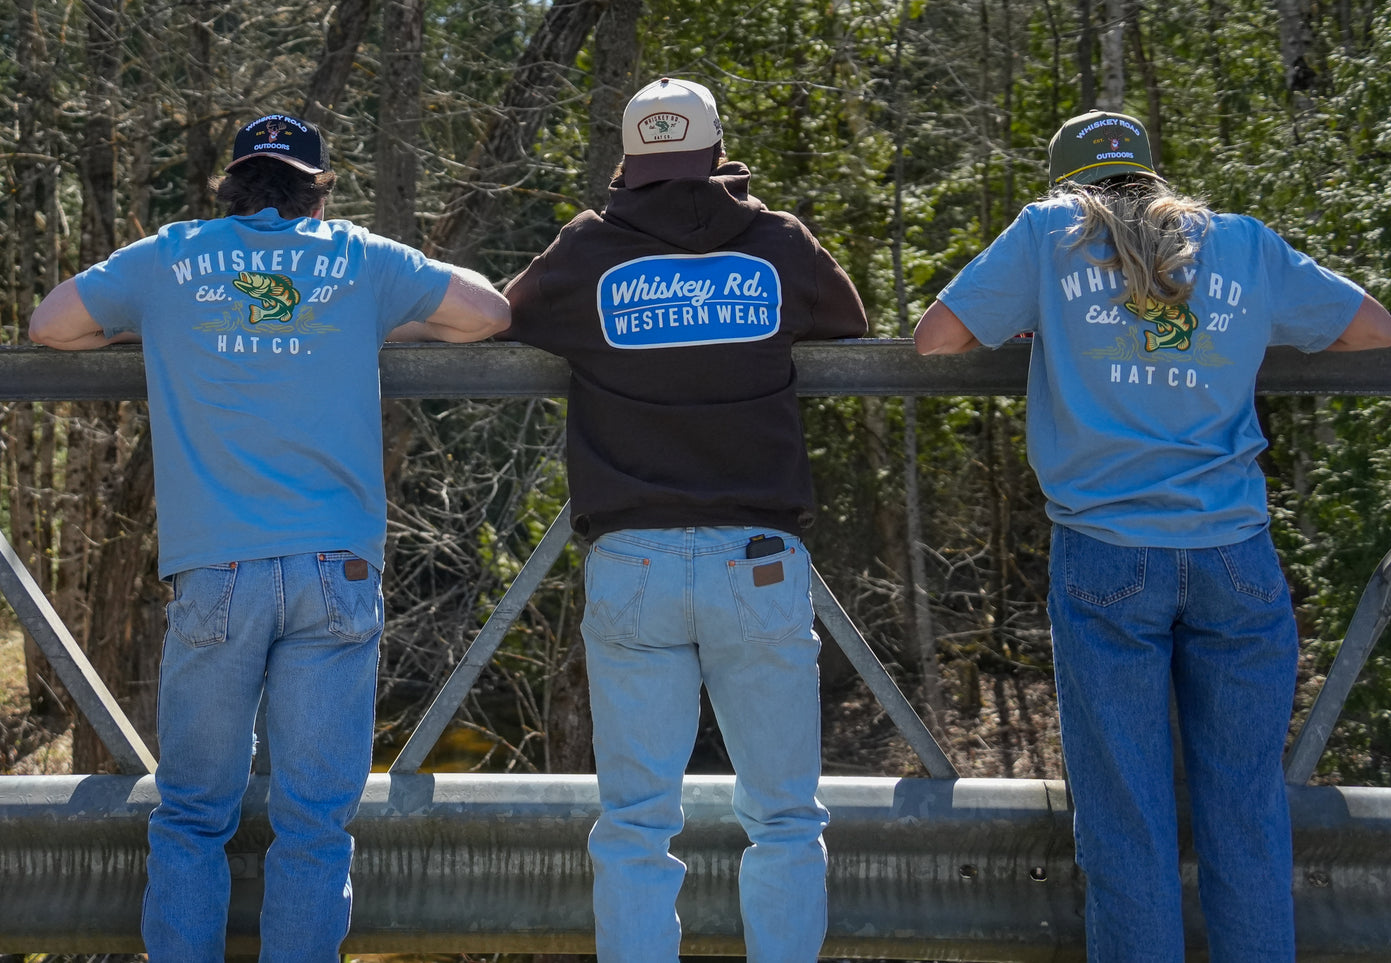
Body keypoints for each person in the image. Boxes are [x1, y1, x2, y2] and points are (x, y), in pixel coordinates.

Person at [914, 109, 1391, 961]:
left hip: (1104, 556)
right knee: (1245, 807)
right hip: (1234, 554)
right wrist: (1247, 327)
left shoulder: (1044, 237)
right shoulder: (1240, 242)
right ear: (1152, 174)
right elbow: (1373, 330)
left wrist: (1046, 321)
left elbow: (937, 338)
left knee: (1125, 815)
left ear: (1069, 185)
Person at [28, 112, 510, 963]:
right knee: (317, 823)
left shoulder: (170, 255)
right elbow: (486, 312)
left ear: (233, 183)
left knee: (190, 815)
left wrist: (155, 325)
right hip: (337, 564)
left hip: (213, 567)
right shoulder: (357, 256)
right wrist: (378, 323)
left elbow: (51, 325)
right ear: (317, 187)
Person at [503, 77, 869, 962]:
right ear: (717, 154)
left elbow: (500, 316)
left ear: (628, 163)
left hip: (631, 559)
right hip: (759, 560)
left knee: (633, 822)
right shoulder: (776, 241)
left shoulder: (589, 249)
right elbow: (849, 320)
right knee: (783, 815)